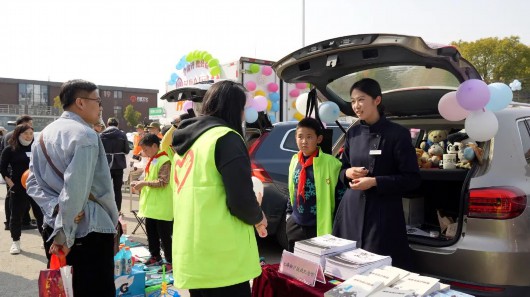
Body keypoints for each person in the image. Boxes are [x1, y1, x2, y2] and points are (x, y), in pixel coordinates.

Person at [171, 80, 267, 297]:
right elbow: (241, 201)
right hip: (223, 259)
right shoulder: (226, 138)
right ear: (235, 108)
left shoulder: (188, 143)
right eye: (243, 109)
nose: (244, 115)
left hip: (192, 252)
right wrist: (258, 216)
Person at [26, 79, 119, 297]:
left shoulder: (43, 135)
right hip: (87, 229)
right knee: (95, 289)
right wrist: (65, 235)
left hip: (55, 225)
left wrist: (54, 208)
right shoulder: (85, 135)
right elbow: (74, 189)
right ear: (80, 102)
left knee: (66, 290)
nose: (100, 107)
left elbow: (31, 182)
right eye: (97, 100)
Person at [332, 78, 421, 270]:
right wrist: (347, 172)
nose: (356, 105)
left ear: (377, 100)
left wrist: (375, 182)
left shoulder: (397, 134)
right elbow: (340, 170)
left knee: (378, 271)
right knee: (347, 267)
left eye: (361, 99)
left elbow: (412, 179)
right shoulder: (352, 134)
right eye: (353, 101)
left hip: (383, 216)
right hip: (351, 212)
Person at [285, 117, 343, 252]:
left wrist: (337, 226)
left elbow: (340, 196)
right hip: (296, 224)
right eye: (300, 137)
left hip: (319, 227)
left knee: (317, 269)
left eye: (309, 137)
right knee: (295, 267)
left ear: (319, 139)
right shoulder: (295, 160)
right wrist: (289, 216)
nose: (304, 141)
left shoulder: (332, 163)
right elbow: (291, 190)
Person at [0, 124, 44, 254]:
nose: (29, 136)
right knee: (16, 216)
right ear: (18, 134)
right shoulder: (10, 149)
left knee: (40, 214)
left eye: (31, 133)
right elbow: (2, 168)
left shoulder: (36, 148)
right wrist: (10, 183)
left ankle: (44, 238)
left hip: (36, 186)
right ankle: (16, 242)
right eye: (26, 133)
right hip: (18, 187)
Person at [131, 133, 173, 270]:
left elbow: (163, 182)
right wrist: (140, 183)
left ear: (155, 146)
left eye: (146, 149)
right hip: (152, 207)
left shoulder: (164, 160)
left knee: (165, 237)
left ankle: (170, 261)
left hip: (162, 207)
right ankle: (155, 256)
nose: (145, 153)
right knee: (152, 234)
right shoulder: (154, 159)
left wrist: (143, 183)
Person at [1, 115, 34, 231]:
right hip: (14, 176)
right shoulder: (12, 139)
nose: (30, 128)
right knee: (13, 203)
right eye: (29, 124)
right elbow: (4, 160)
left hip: (29, 181)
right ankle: (13, 225)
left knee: (25, 203)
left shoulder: (33, 145)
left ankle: (24, 221)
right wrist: (10, 181)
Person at [100, 117, 130, 211]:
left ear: (107, 124)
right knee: (117, 189)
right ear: (117, 125)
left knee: (105, 189)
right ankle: (118, 211)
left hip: (106, 165)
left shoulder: (101, 135)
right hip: (118, 165)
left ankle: (105, 210)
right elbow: (126, 150)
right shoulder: (122, 134)